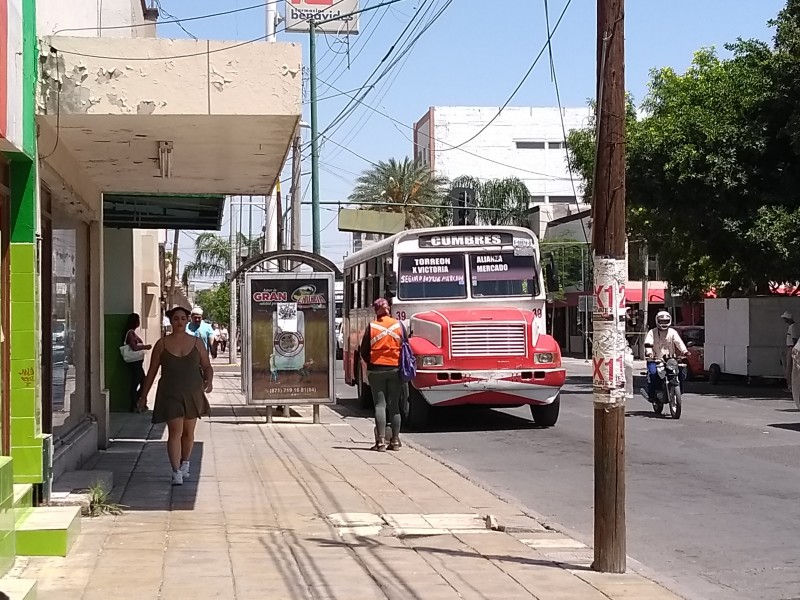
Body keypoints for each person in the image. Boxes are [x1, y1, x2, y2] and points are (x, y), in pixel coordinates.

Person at [139, 306, 213, 486]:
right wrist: (143, 396)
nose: (179, 322)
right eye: (175, 318)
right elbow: (152, 372)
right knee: (175, 431)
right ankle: (176, 471)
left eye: (182, 318)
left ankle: (185, 462)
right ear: (170, 321)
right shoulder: (162, 344)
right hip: (170, 393)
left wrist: (208, 380)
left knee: (188, 432)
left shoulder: (197, 343)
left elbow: (207, 365)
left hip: (192, 392)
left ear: (187, 320)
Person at [359, 298, 404, 452]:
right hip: (395, 369)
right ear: (388, 309)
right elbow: (405, 346)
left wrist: (372, 363)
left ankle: (380, 443)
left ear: (375, 310)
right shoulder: (399, 325)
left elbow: (363, 351)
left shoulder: (372, 326)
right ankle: (396, 441)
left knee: (380, 405)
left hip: (376, 370)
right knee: (394, 406)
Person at [644, 310, 689, 402]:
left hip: (670, 360)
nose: (664, 323)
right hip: (655, 360)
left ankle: (679, 390)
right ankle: (652, 395)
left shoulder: (673, 332)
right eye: (661, 321)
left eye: (666, 321)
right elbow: (648, 344)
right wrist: (649, 353)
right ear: (657, 321)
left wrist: (684, 351)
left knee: (681, 371)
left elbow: (679, 342)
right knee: (652, 374)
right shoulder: (652, 332)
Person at [123, 313, 152, 413]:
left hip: (137, 363)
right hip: (134, 363)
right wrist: (145, 347)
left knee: (143, 382)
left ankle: (138, 402)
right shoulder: (130, 333)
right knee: (137, 382)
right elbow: (134, 347)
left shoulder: (133, 333)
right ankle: (134, 404)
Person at [781, 312, 800, 392]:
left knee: (790, 367)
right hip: (790, 347)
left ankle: (790, 386)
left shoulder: (793, 327)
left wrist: (793, 350)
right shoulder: (791, 326)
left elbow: (794, 339)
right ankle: (790, 386)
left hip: (791, 347)